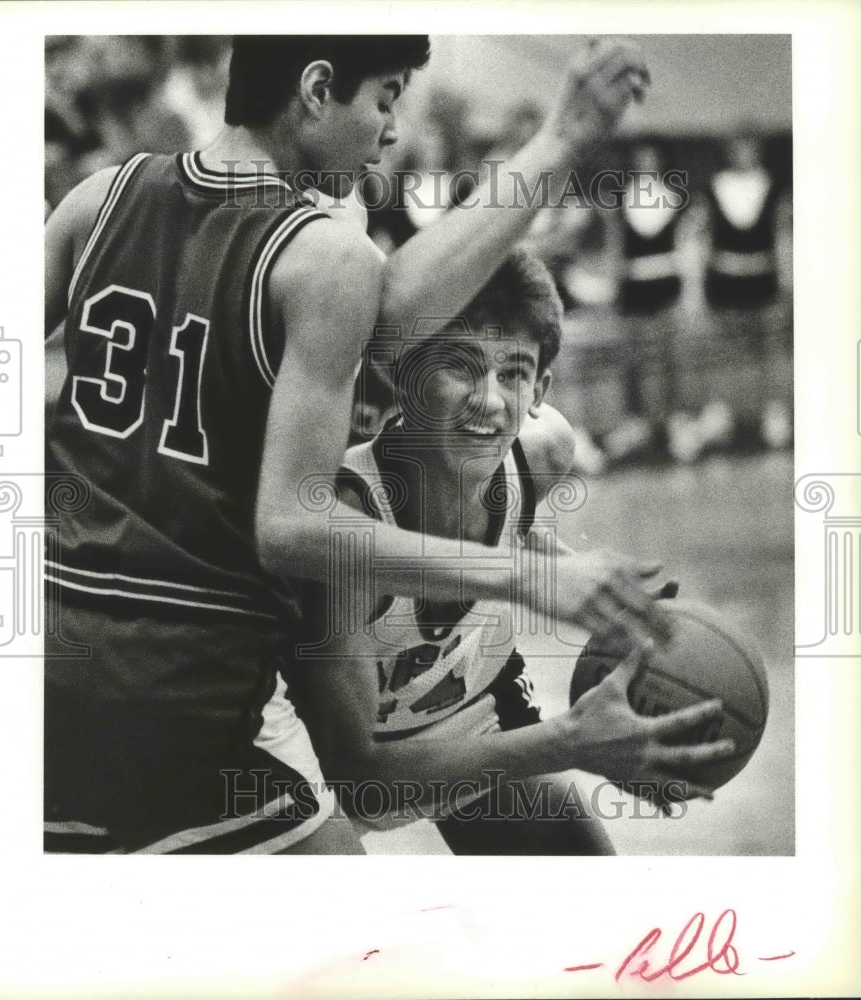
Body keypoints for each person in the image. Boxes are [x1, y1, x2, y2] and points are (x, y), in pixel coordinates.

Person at [44, 34, 670, 856]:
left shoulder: (100, 197)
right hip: (186, 680)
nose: (391, 128)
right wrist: (532, 578)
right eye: (385, 96)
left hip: (45, 659)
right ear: (314, 89)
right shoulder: (324, 256)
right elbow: (293, 528)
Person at [288, 251, 734, 854]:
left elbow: (513, 530)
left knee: (585, 886)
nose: (490, 400)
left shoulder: (542, 455)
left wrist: (601, 594)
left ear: (540, 391)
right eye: (460, 366)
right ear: (405, 375)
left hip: (474, 710)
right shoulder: (346, 523)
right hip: (340, 772)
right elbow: (365, 782)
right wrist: (570, 740)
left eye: (514, 373)